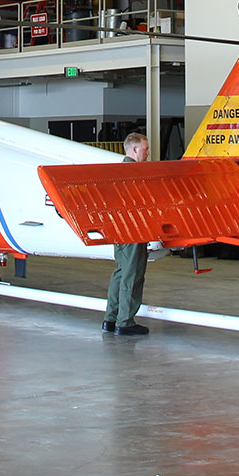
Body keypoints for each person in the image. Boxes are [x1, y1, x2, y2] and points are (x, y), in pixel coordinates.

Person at [103, 131, 152, 336]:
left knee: (121, 272)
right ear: (134, 149)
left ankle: (111, 319)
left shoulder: (117, 171)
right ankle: (125, 321)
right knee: (132, 274)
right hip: (134, 230)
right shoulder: (135, 173)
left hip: (120, 230)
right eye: (145, 149)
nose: (148, 153)